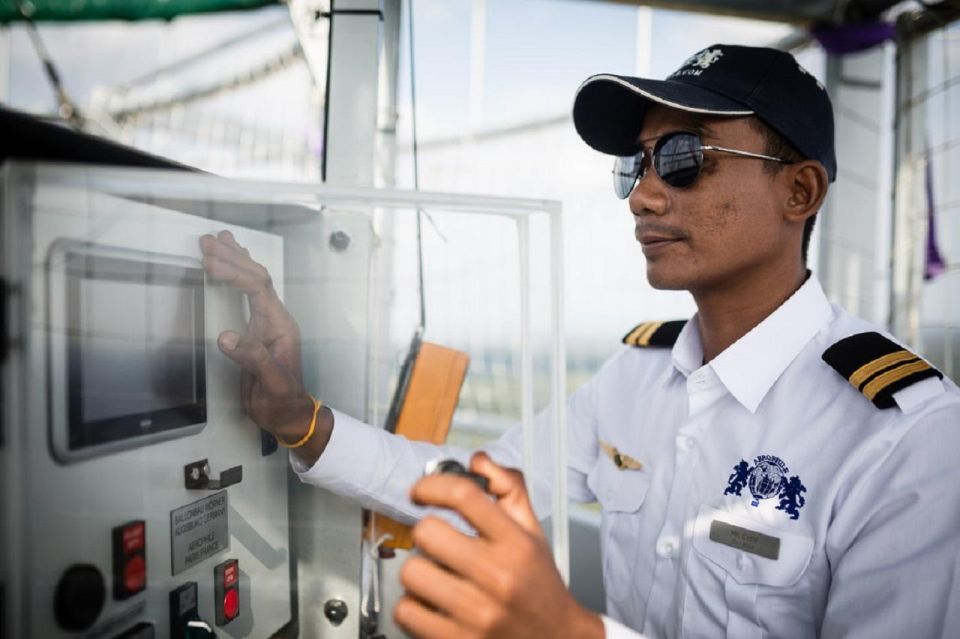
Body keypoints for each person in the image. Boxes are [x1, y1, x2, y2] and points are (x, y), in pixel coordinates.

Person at [200, 44, 960, 638]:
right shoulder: (638, 375)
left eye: (686, 158)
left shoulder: (905, 437)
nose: (643, 193)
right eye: (637, 161)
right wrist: (302, 419)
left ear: (799, 192)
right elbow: (475, 487)